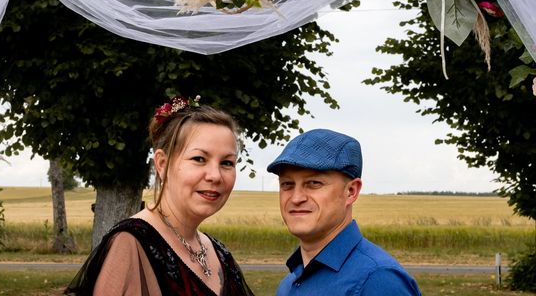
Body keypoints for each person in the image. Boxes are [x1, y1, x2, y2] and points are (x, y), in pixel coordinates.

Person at [65, 96, 254, 296]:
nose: (215, 176)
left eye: (227, 163)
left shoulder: (219, 253)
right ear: (162, 164)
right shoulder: (131, 245)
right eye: (199, 159)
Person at [267, 128, 422, 295]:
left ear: (351, 191)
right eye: (287, 185)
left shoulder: (378, 280)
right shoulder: (288, 284)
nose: (296, 198)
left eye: (314, 183)